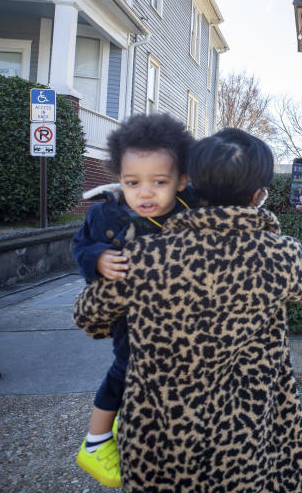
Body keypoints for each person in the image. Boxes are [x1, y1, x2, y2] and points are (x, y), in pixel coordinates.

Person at [73, 128, 302, 493]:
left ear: (190, 183)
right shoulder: (279, 255)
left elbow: (89, 318)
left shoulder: (145, 255)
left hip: (157, 447)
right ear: (258, 194)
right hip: (246, 445)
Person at [72, 113, 196, 488]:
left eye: (159, 182)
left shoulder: (190, 209)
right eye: (132, 182)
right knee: (126, 368)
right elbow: (79, 245)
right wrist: (96, 257)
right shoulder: (107, 213)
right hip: (133, 321)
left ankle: (140, 424)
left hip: (178, 319)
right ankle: (95, 441)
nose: (145, 193)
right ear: (120, 180)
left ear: (181, 181)